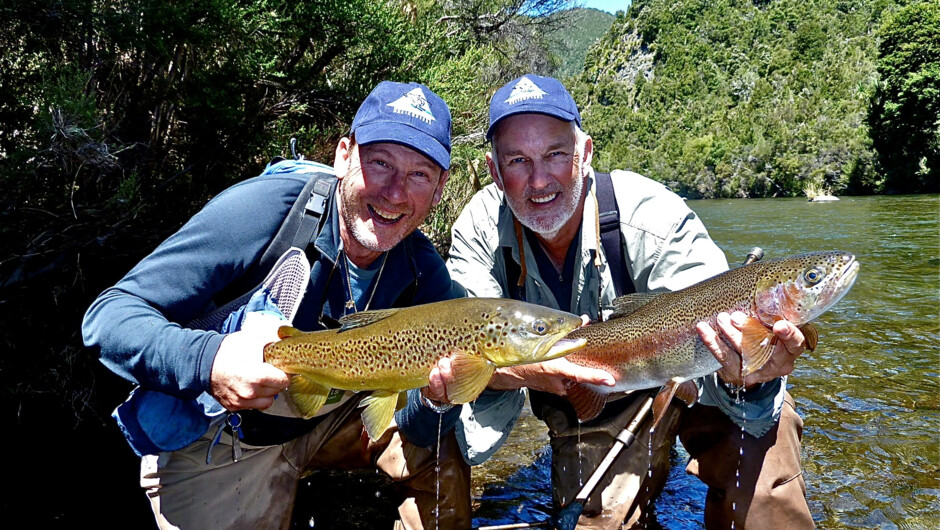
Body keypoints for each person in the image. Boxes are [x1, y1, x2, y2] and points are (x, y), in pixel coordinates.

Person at [82, 81, 470, 529]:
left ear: (440, 190)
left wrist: (439, 401)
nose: (396, 192)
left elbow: (420, 433)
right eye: (380, 163)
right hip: (224, 437)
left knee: (441, 450)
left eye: (419, 174)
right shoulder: (265, 212)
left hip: (325, 418)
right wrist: (210, 360)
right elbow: (109, 316)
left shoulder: (424, 274)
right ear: (344, 157)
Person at [431, 74, 815, 528]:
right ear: (494, 172)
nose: (539, 179)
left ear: (585, 154)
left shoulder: (653, 215)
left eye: (556, 154)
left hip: (689, 380)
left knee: (762, 467)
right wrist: (535, 370)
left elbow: (722, 313)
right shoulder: (479, 228)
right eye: (518, 160)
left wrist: (751, 377)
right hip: (584, 398)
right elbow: (455, 348)